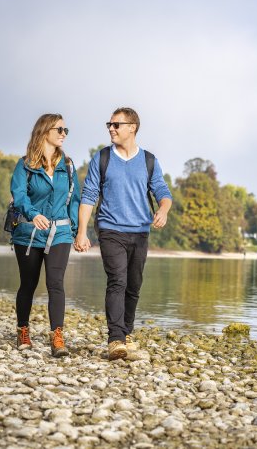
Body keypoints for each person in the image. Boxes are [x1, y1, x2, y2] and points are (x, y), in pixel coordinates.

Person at [75, 107, 172, 360]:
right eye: (110, 124)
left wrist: (163, 210)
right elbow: (88, 196)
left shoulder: (149, 160)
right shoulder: (102, 158)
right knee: (117, 280)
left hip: (140, 232)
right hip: (110, 229)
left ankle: (126, 332)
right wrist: (82, 231)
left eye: (116, 124)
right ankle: (115, 338)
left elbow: (162, 190)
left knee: (134, 285)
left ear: (132, 127)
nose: (111, 128)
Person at [10, 113, 80, 357]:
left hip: (59, 233)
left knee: (55, 283)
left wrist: (75, 231)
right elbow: (19, 196)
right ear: (44, 132)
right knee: (28, 284)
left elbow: (75, 199)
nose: (63, 134)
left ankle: (57, 337)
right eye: (59, 129)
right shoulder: (24, 165)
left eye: (65, 130)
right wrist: (31, 214)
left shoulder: (68, 166)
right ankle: (22, 330)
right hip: (28, 233)